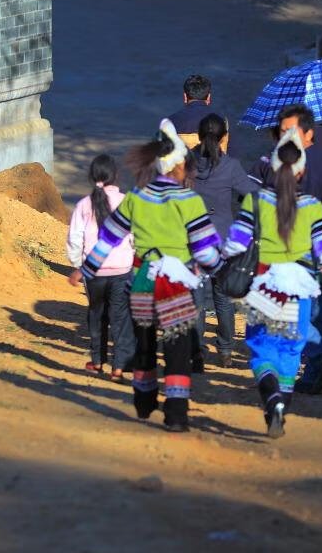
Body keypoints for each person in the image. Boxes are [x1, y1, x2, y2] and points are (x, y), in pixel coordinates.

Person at [79, 120, 223, 433]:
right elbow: (206, 251)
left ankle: (144, 400)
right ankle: (175, 413)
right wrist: (221, 271)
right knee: (177, 350)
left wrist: (86, 271)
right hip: (177, 287)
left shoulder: (136, 198)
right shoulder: (189, 201)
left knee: (144, 346)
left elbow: (109, 239)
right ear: (180, 165)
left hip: (143, 281)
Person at [222, 128, 322, 438]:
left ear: (274, 166)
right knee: (291, 351)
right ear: (302, 169)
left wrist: (215, 261)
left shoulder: (257, 201)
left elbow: (235, 244)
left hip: (264, 286)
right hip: (299, 288)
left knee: (261, 350)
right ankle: (282, 403)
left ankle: (272, 401)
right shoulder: (311, 207)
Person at [67, 156, 134, 379]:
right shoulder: (126, 202)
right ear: (115, 176)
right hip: (122, 269)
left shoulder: (83, 205)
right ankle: (119, 366)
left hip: (93, 272)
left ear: (91, 177)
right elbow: (135, 235)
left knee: (96, 315)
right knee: (120, 317)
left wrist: (79, 265)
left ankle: (97, 361)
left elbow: (75, 238)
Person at [186, 113, 246, 364]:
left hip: (194, 241)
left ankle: (197, 350)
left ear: (198, 136)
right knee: (223, 299)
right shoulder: (230, 165)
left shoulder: (187, 163)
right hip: (223, 241)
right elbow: (250, 195)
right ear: (223, 138)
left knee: (196, 298)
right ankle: (225, 350)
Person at [166, 74, 215, 149]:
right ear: (208, 98)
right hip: (215, 160)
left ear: (185, 97)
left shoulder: (170, 122)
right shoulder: (223, 121)